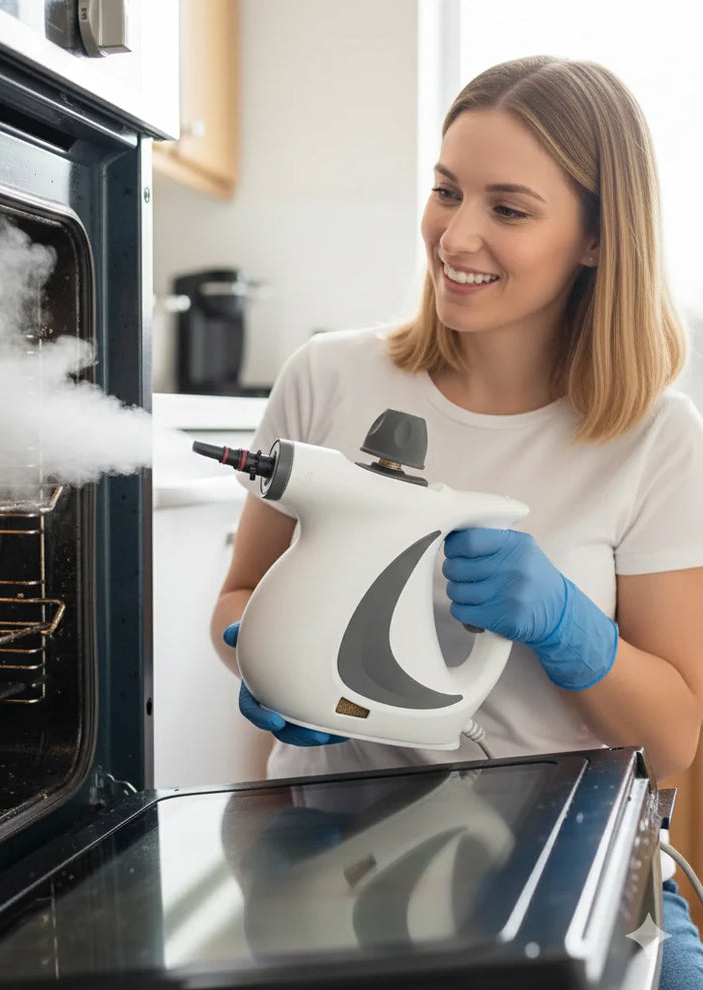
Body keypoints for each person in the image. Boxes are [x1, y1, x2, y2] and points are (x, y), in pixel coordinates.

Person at [209, 56, 703, 985]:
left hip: (572, 850)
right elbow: (238, 595)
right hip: (328, 837)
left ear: (597, 238)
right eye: (446, 191)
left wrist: (570, 631)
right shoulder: (328, 378)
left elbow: (673, 740)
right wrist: (264, 659)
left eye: (508, 209)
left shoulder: (658, 439)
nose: (457, 234)